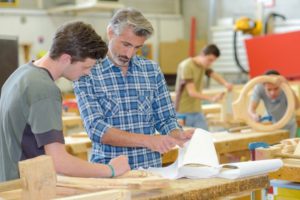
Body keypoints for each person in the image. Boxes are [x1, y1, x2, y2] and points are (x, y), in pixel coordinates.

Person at [0, 21, 130, 182]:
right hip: (24, 189)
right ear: (66, 58)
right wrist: (110, 169)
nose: (88, 73)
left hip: (7, 185)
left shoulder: (21, 74)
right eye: (86, 67)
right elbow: (58, 161)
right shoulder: (44, 89)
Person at [74, 8, 194, 169]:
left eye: (137, 47)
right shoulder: (87, 71)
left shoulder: (151, 70)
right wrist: (149, 140)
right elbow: (96, 129)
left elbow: (165, 118)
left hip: (151, 170)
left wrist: (176, 133)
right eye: (126, 44)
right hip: (109, 173)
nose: (129, 54)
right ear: (110, 32)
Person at [174, 44, 233, 130]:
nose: (210, 63)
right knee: (183, 141)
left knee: (205, 137)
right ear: (202, 55)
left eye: (213, 61)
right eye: (209, 60)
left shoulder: (203, 65)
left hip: (196, 110)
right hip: (183, 111)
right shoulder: (187, 66)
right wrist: (211, 98)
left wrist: (225, 83)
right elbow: (192, 92)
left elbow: (213, 74)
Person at [248, 70, 299, 138]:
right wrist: (254, 116)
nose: (272, 93)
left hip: (289, 125)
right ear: (263, 86)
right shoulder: (259, 87)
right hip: (271, 125)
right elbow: (251, 110)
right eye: (269, 89)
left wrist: (287, 85)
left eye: (276, 89)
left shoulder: (284, 86)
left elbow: (297, 106)